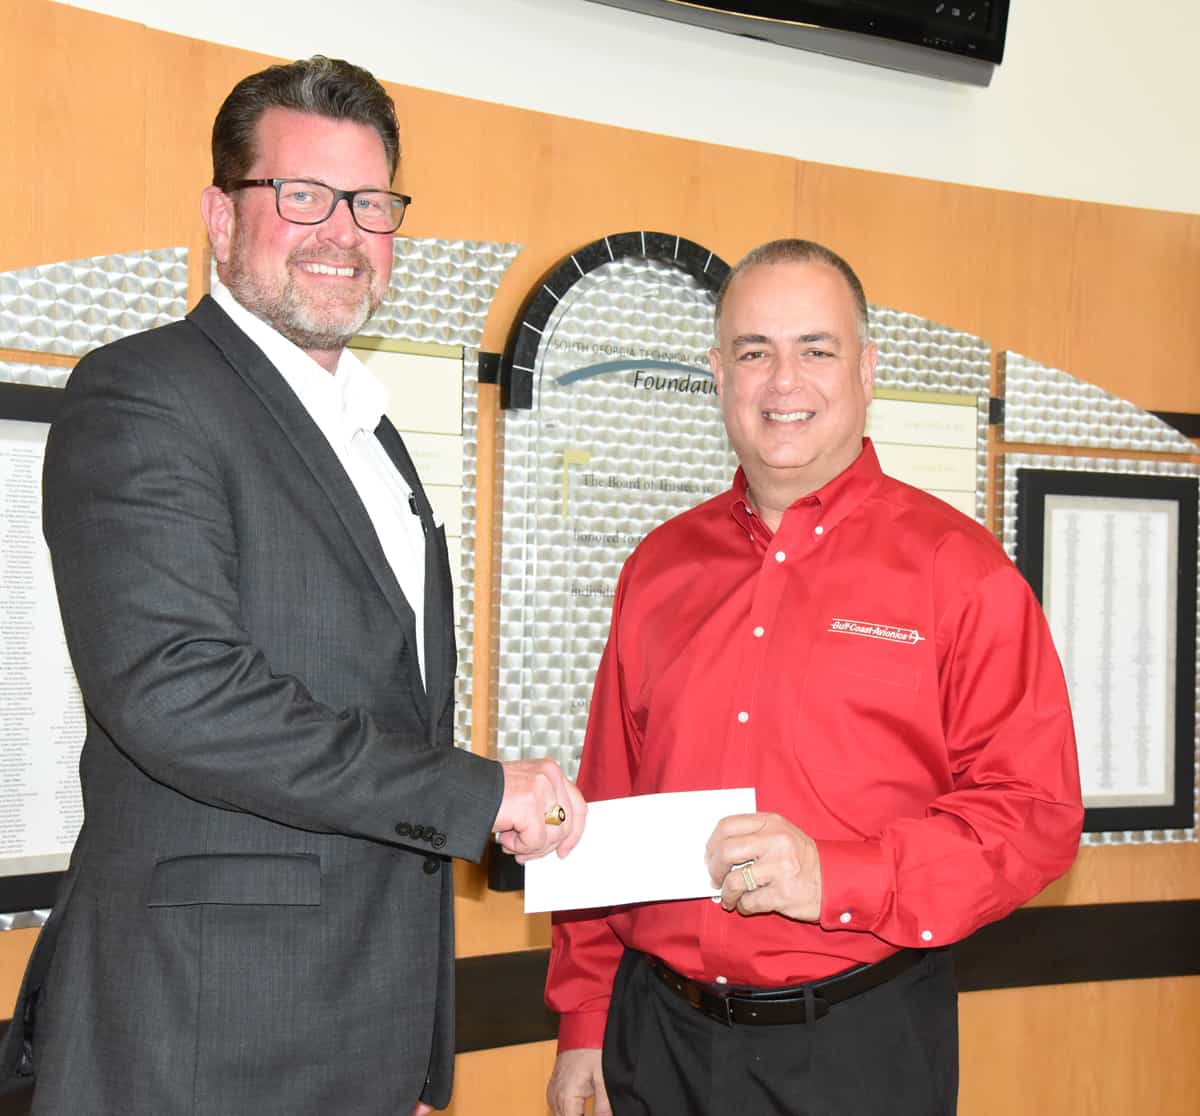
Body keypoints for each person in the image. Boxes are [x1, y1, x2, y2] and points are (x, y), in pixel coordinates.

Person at [0, 56, 584, 1116]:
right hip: (199, 1033)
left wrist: (408, 1053)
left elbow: (378, 712)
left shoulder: (372, 434)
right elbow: (179, 693)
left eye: (371, 203)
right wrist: (475, 792)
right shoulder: (144, 394)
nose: (343, 232)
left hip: (355, 1031)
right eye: (302, 195)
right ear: (220, 218)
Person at [545, 239, 1082, 1116]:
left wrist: (836, 876)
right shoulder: (660, 566)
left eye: (816, 350)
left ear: (866, 370)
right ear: (719, 374)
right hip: (656, 1040)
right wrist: (584, 1022)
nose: (782, 381)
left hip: (857, 1047)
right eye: (755, 352)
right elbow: (608, 804)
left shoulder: (960, 570)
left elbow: (1034, 816)